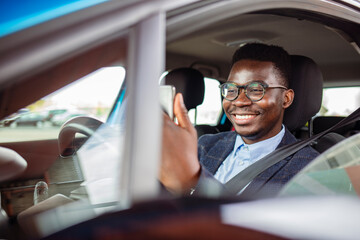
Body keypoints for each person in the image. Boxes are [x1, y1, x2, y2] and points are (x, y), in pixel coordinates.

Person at [160, 43, 319, 198]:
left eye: (256, 90)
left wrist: (192, 179)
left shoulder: (310, 168)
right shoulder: (204, 144)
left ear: (286, 98)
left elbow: (262, 223)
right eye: (231, 90)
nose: (239, 101)